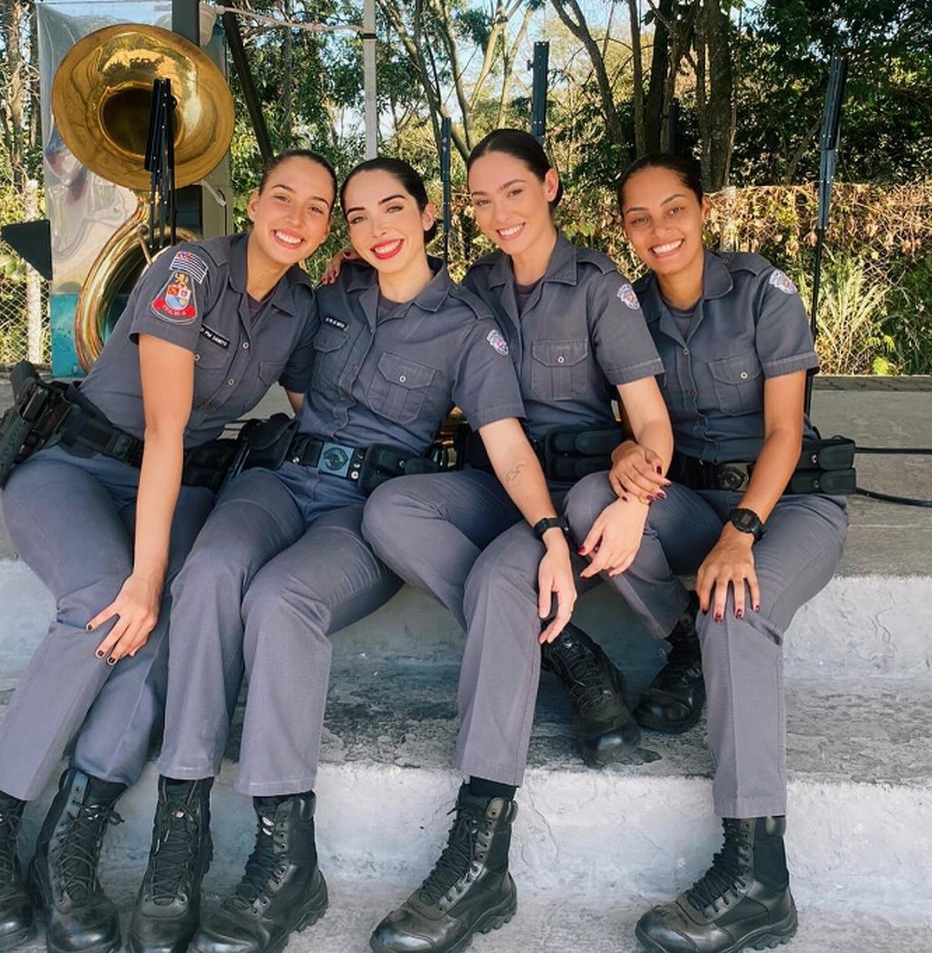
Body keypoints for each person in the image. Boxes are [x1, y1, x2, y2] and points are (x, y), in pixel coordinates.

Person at [125, 156, 574, 953]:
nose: (376, 231)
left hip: (360, 513)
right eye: (358, 217)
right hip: (280, 479)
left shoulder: (468, 326)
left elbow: (506, 448)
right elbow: (296, 387)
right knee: (209, 573)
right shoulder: (327, 298)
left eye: (392, 209)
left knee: (279, 601)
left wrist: (548, 533)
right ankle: (180, 831)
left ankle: (285, 856)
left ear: (429, 213)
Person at [0, 149, 338, 953]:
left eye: (318, 209)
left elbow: (318, 408)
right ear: (254, 201)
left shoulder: (300, 306)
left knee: (182, 613)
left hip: (180, 487)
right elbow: (164, 428)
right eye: (283, 198)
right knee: (105, 595)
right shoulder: (188, 269)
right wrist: (145, 578)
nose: (296, 219)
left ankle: (76, 833)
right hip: (77, 467)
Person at [356, 129, 672, 953]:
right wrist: (354, 272)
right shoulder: (478, 285)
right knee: (391, 510)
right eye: (481, 199)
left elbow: (649, 420)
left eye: (514, 192)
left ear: (551, 186)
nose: (498, 213)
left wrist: (636, 495)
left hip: (572, 490)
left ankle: (480, 848)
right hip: (497, 478)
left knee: (502, 579)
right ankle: (572, 654)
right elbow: (415, 314)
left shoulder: (599, 285)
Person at [563, 153, 849, 953]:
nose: (660, 231)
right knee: (590, 501)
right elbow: (627, 413)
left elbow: (787, 432)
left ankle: (759, 872)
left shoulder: (763, 291)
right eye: (639, 217)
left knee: (738, 606)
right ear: (622, 227)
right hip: (688, 501)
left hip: (786, 505)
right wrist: (625, 451)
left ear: (704, 209)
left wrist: (741, 532)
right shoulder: (623, 310)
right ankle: (680, 639)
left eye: (674, 209)